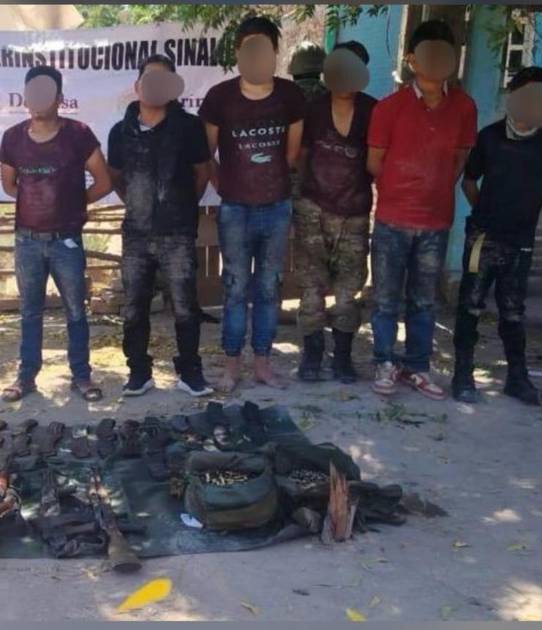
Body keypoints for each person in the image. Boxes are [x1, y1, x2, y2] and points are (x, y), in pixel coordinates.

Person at [367, 20, 477, 400]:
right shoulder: (389, 108)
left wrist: (434, 188)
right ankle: (384, 362)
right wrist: (402, 189)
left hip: (435, 221)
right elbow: (374, 162)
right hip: (392, 220)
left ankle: (417, 366)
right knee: (385, 299)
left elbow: (460, 158)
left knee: (424, 300)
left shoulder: (463, 107)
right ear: (412, 60)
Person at [199, 16, 307, 392]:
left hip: (276, 208)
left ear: (275, 52)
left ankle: (263, 364)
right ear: (239, 52)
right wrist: (224, 185)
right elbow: (206, 153)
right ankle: (231, 366)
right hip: (235, 210)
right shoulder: (220, 97)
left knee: (268, 288)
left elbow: (292, 154)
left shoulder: (291, 96)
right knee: (234, 287)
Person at [0, 65, 112, 402]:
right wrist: (37, 200)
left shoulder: (79, 134)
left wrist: (73, 202)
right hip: (27, 241)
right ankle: (26, 378)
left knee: (75, 311)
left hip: (66, 241)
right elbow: (9, 185)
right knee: (29, 312)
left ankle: (82, 377)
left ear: (60, 98)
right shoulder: (12, 138)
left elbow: (104, 182)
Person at [452, 67, 542, 405]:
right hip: (483, 238)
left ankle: (517, 377)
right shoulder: (490, 137)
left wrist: (522, 213)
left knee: (513, 310)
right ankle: (463, 375)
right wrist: (487, 213)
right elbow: (469, 181)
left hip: (520, 241)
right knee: (470, 305)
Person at [107, 54, 213, 398]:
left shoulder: (189, 127)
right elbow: (116, 177)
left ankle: (190, 372)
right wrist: (138, 204)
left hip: (178, 234)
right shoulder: (119, 132)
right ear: (137, 86)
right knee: (134, 308)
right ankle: (139, 372)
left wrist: (179, 207)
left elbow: (201, 174)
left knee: (185, 307)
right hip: (136, 236)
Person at [294, 41, 377, 383]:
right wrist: (304, 199)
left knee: (348, 292)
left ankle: (342, 358)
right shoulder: (313, 109)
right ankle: (312, 355)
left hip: (354, 213)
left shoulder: (373, 111)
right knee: (311, 289)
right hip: (313, 209)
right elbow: (301, 156)